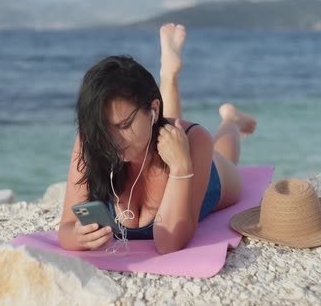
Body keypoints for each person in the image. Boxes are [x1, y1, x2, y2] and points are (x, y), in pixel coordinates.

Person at [58, 23, 256, 254]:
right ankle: (169, 75)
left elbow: (169, 243)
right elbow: (67, 228)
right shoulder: (91, 139)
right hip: (156, 129)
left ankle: (230, 118)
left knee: (222, 155)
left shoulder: (195, 140)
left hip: (197, 173)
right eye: (104, 129)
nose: (112, 141)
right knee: (162, 130)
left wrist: (182, 166)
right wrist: (78, 237)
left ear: (152, 109)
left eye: (124, 125)